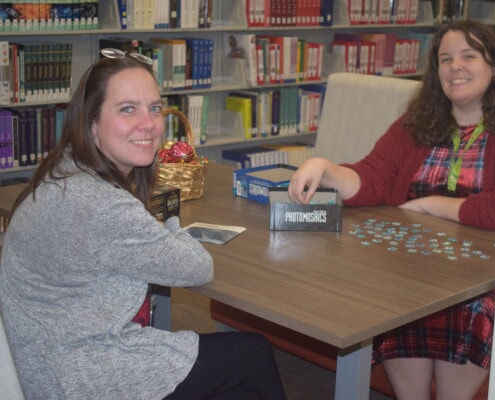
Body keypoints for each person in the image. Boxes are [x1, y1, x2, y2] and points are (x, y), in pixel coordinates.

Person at [288, 20, 495, 400]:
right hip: (416, 264)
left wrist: (433, 205)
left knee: (471, 309)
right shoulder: (416, 124)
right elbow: (375, 177)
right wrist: (325, 168)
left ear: (494, 66)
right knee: (394, 302)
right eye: (446, 59)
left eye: (468, 56)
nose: (455, 67)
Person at [0, 50, 287, 400]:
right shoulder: (102, 205)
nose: (149, 124)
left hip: (48, 358)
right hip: (81, 377)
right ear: (91, 124)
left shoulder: (64, 168)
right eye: (127, 109)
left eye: (154, 108)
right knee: (252, 353)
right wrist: (171, 227)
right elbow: (199, 267)